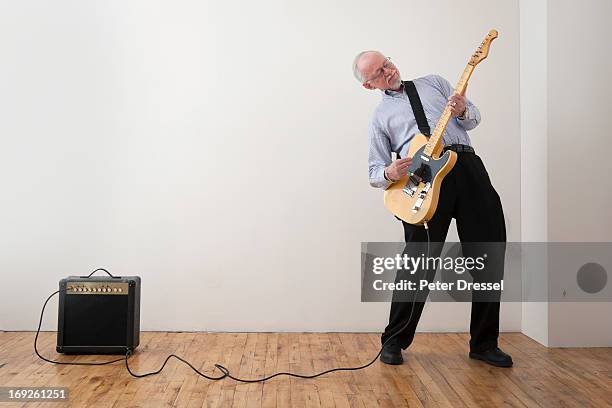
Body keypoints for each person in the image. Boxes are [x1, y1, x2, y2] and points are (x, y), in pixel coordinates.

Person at [353, 50, 513, 368]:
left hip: (465, 165)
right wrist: (390, 173)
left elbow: (473, 119)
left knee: (489, 254)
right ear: (369, 85)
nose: (388, 71)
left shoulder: (434, 83)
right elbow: (375, 172)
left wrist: (464, 108)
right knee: (417, 263)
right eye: (378, 73)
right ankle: (394, 341)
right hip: (422, 183)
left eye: (387, 63)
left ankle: (484, 343)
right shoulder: (380, 117)